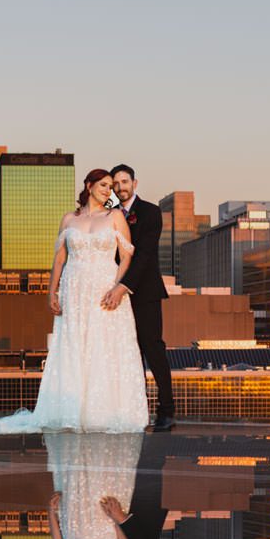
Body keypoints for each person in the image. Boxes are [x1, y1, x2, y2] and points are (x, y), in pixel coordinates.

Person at [0, 169, 148, 434]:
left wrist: (117, 287)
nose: (109, 190)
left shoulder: (115, 216)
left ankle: (103, 412)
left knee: (104, 345)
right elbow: (60, 259)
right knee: (73, 345)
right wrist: (52, 291)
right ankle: (69, 412)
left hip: (103, 289)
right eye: (104, 185)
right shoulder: (68, 219)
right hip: (74, 291)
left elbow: (126, 256)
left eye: (111, 186)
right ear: (89, 185)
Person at [102, 164, 176, 431]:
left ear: (135, 183)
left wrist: (123, 287)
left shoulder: (151, 212)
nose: (121, 187)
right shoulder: (108, 213)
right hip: (112, 292)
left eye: (125, 182)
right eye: (116, 184)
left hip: (142, 291)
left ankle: (166, 411)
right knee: (124, 352)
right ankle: (133, 410)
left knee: (152, 349)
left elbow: (144, 255)